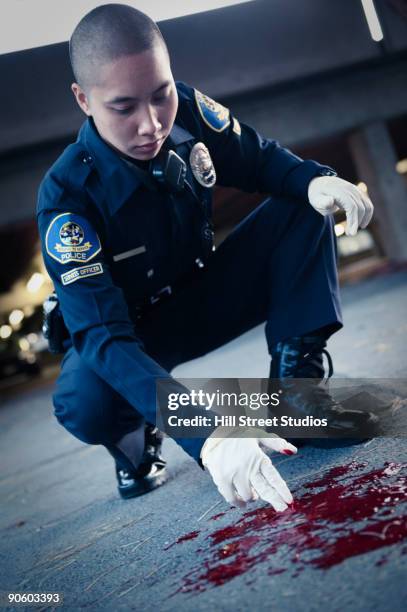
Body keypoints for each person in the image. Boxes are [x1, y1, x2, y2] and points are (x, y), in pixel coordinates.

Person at [37, 4, 376, 509]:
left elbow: (261, 162)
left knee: (305, 200)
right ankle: (135, 443)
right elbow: (104, 337)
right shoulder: (67, 196)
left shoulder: (190, 112)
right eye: (124, 107)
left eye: (161, 94)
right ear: (84, 100)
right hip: (132, 336)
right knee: (86, 401)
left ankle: (297, 398)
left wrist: (315, 178)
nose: (151, 123)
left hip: (203, 296)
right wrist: (207, 434)